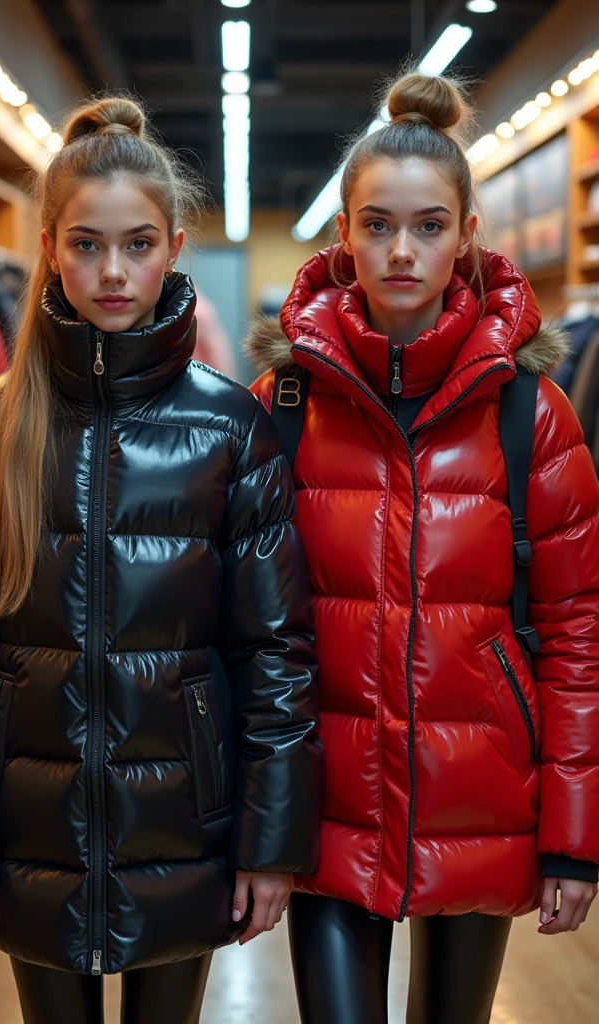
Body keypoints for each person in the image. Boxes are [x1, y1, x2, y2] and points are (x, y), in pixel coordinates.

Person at [0, 96, 323, 1024]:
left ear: (174, 247)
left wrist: (270, 843)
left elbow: (275, 654)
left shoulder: (232, 427)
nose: (111, 270)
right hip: (25, 827)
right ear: (50, 245)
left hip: (188, 824)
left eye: (136, 244)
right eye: (87, 244)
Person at [248, 70, 599, 1024]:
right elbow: (245, 634)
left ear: (467, 234)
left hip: (483, 802)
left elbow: (577, 637)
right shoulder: (280, 412)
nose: (402, 250)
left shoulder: (533, 416)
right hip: (323, 811)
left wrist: (575, 840)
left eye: (430, 225)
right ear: (345, 232)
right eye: (377, 224)